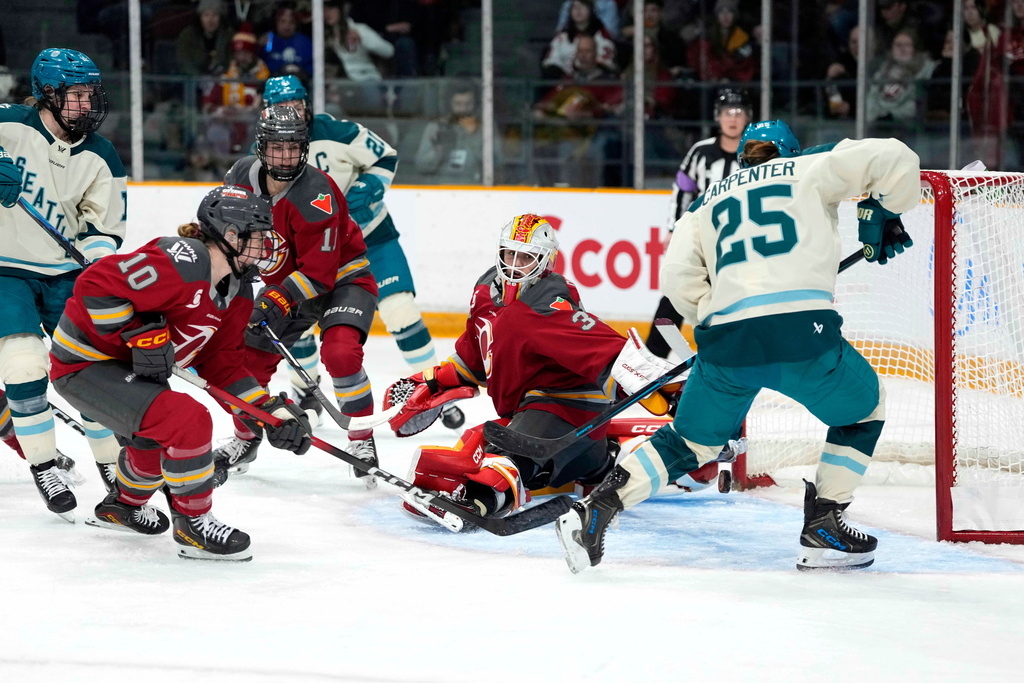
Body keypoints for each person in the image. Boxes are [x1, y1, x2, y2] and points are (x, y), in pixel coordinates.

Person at [556, 120, 920, 574]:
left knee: (688, 442)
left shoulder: (707, 201)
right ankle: (825, 523)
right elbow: (896, 158)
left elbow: (676, 281)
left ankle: (596, 509)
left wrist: (721, 314)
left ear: (742, 158)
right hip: (802, 334)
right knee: (864, 409)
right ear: (789, 151)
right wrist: (885, 210)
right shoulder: (809, 167)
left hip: (726, 343)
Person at [49, 185, 312, 561]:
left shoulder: (237, 293)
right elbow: (94, 286)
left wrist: (269, 413)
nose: (265, 248)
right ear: (231, 234)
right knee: (187, 421)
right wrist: (135, 334)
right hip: (83, 363)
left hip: (128, 370)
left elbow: (223, 366)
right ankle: (194, 524)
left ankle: (122, 507)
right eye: (257, 238)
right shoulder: (183, 259)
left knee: (156, 444)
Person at [382, 214, 677, 528]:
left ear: (545, 261)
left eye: (526, 257)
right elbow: (476, 352)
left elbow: (597, 345)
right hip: (533, 408)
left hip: (570, 407)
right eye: (510, 254)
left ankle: (478, 503)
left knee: (508, 457)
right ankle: (603, 464)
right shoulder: (485, 290)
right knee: (479, 437)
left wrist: (652, 381)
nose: (514, 264)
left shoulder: (550, 298)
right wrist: (437, 379)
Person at [260, 75, 465, 431]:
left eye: (295, 103)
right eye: (280, 106)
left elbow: (385, 155)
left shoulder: (337, 131)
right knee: (299, 326)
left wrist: (369, 187)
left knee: (400, 311)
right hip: (309, 252)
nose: (290, 111)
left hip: (370, 238)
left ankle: (435, 386)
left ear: (306, 103)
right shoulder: (263, 151)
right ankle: (305, 391)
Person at [219, 104, 379, 482]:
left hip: (342, 280)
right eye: (278, 147)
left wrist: (274, 299)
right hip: (288, 286)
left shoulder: (316, 193)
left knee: (341, 353)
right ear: (261, 147)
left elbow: (319, 274)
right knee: (241, 362)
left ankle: (362, 437)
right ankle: (246, 437)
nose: (286, 156)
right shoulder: (240, 175)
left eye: (294, 147)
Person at [0, 47, 126, 521]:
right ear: (47, 95)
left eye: (92, 94)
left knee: (91, 372)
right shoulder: (8, 124)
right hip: (5, 270)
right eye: (77, 95)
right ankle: (44, 464)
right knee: (22, 363)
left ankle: (114, 467)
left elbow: (106, 229)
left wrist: (93, 262)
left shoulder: (102, 155)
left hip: (67, 276)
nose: (89, 105)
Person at [645, 88, 752, 359]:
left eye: (739, 112)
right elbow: (682, 190)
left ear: (748, 117)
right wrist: (672, 228)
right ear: (718, 116)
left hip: (738, 243)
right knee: (675, 293)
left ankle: (727, 357)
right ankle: (653, 356)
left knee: (730, 300)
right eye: (728, 112)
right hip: (700, 239)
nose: (733, 118)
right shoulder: (701, 152)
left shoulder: (756, 154)